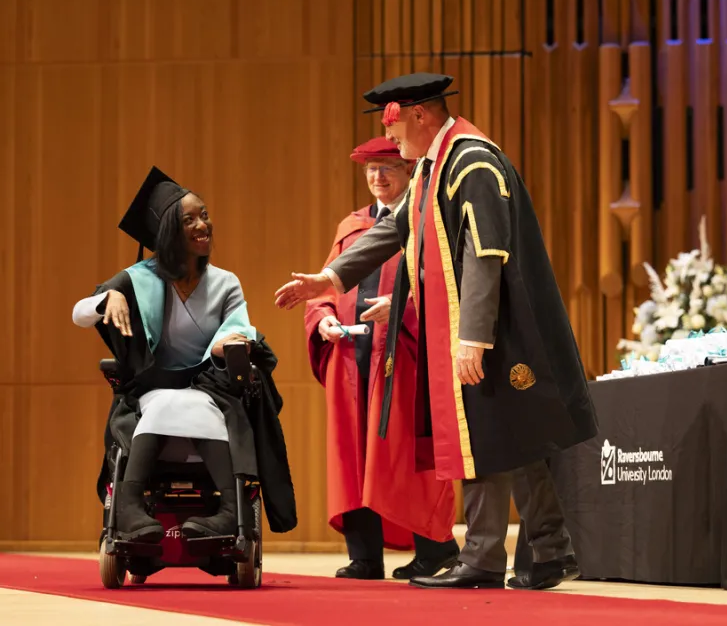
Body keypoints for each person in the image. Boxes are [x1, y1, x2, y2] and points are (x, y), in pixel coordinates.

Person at [275, 73, 596, 590]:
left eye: (397, 132)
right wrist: (331, 278)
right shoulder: (433, 167)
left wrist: (473, 337)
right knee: (518, 439)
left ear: (420, 115)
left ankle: (485, 560)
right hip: (482, 326)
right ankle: (551, 551)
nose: (395, 145)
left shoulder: (472, 161)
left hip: (497, 328)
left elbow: (485, 253)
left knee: (485, 439)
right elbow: (393, 229)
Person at [73, 166, 296, 543]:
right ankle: (130, 508)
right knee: (166, 404)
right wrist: (107, 296)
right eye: (188, 220)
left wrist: (234, 339)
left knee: (195, 405)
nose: (202, 225)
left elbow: (237, 327)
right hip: (151, 386)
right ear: (167, 234)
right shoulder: (137, 278)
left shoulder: (225, 282)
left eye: (204, 215)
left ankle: (228, 512)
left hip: (210, 385)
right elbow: (79, 313)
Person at [305, 137, 459, 580]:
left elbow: (443, 285)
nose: (378, 177)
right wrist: (322, 321)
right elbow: (325, 289)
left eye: (387, 167)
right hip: (351, 359)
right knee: (351, 457)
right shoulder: (350, 226)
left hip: (402, 357)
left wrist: (404, 307)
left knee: (405, 456)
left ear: (409, 172)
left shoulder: (425, 223)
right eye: (371, 169)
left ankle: (435, 549)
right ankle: (364, 556)